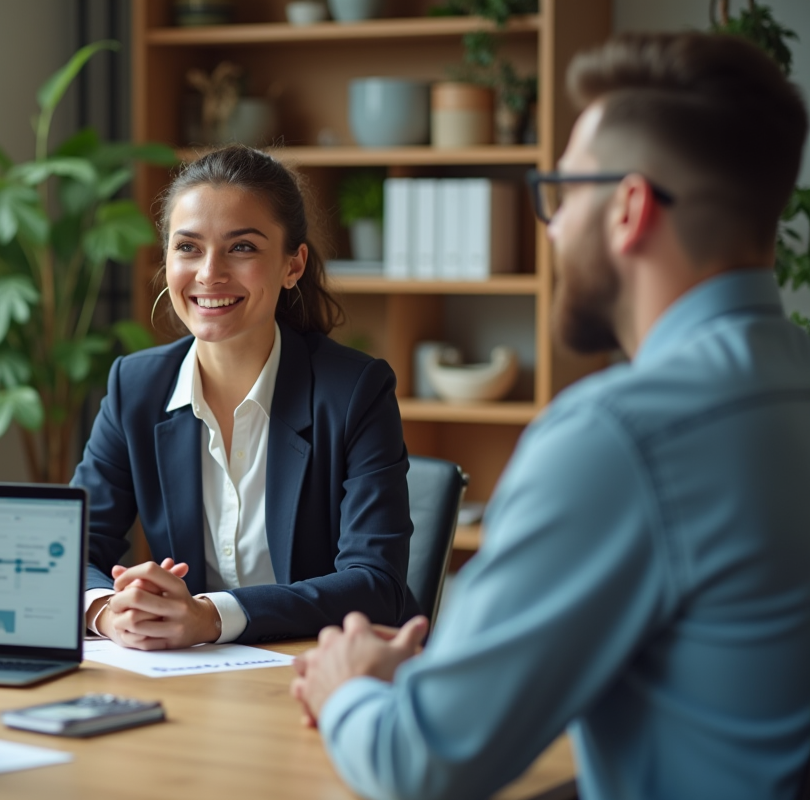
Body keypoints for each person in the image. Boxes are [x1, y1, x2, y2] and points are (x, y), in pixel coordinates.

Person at [290, 32, 810, 800]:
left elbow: (419, 766)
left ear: (629, 209)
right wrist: (451, 680)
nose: (552, 227)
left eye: (562, 194)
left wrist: (344, 686)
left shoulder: (616, 439)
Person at [72, 145, 418, 650]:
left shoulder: (354, 391)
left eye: (242, 248)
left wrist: (211, 615)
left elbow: (377, 583)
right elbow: (68, 550)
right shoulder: (136, 387)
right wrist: (109, 610)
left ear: (292, 265)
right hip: (190, 676)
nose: (209, 273)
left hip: (320, 668)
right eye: (188, 247)